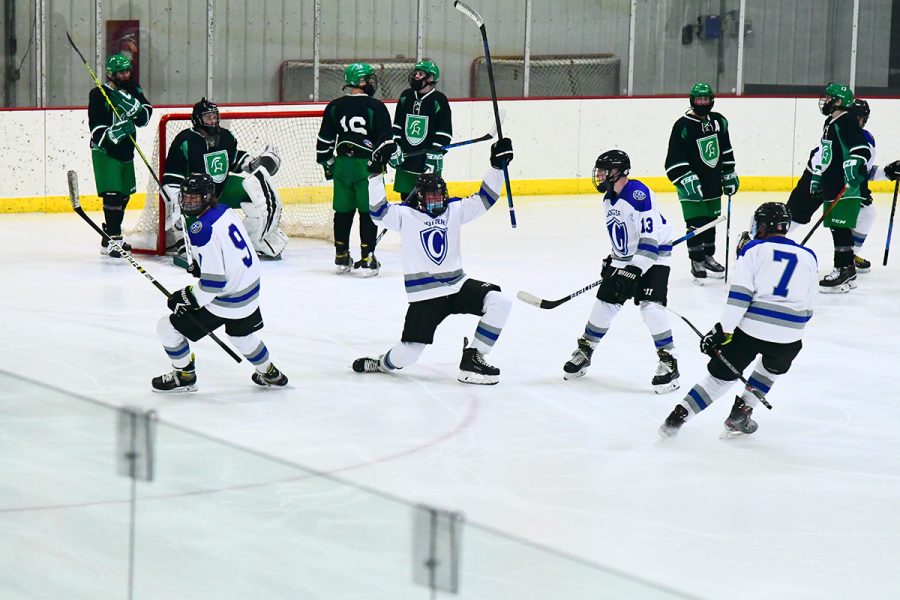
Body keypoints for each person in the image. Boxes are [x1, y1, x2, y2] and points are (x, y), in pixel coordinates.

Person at [351, 137, 515, 384]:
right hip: (425, 296)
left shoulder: (454, 209)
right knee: (408, 355)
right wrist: (375, 173)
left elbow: (485, 198)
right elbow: (377, 212)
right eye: (431, 197)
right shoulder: (405, 215)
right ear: (419, 197)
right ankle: (383, 363)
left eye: (440, 196)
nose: (437, 201)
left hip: (458, 285)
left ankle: (474, 357)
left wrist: (496, 166)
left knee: (499, 302)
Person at [659, 202, 816, 438]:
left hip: (751, 331)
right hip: (791, 335)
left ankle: (677, 418)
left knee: (719, 379)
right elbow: (809, 308)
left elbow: (740, 298)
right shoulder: (809, 256)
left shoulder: (752, 249)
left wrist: (722, 331)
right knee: (770, 367)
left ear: (763, 225)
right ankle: (740, 414)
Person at [151, 173, 288, 392]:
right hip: (250, 289)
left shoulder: (201, 230)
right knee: (241, 335)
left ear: (207, 197)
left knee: (166, 327)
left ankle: (185, 375)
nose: (188, 202)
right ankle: (269, 372)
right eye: (185, 197)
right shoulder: (224, 210)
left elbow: (212, 286)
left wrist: (187, 297)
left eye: (194, 198)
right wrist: (203, 265)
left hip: (229, 299)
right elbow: (229, 251)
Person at [562, 150, 680, 393]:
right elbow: (624, 238)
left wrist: (634, 270)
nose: (600, 175)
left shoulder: (639, 193)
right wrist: (614, 260)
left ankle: (669, 361)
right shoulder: (608, 199)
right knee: (605, 302)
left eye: (604, 171)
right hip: (629, 258)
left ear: (618, 171)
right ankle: (586, 350)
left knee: (651, 307)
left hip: (655, 255)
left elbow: (649, 242)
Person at [160, 98, 287, 261]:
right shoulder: (185, 140)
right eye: (208, 117)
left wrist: (253, 163)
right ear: (198, 119)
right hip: (195, 200)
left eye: (214, 116)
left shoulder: (227, 136)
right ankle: (182, 239)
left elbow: (231, 160)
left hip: (221, 189)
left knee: (254, 190)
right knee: (198, 241)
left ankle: (257, 239)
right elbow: (172, 175)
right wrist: (176, 202)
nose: (213, 121)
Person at [316, 63, 393, 275]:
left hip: (342, 165)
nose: (371, 82)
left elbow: (324, 142)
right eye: (368, 78)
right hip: (365, 167)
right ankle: (367, 257)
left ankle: (341, 255)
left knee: (342, 211)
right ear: (361, 82)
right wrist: (392, 158)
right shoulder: (375, 106)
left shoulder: (334, 106)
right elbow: (386, 141)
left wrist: (329, 164)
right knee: (368, 211)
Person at [664, 82, 737, 283]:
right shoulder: (683, 125)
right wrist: (686, 177)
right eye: (699, 99)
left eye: (705, 99)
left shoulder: (719, 122)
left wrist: (729, 172)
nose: (702, 103)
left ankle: (707, 256)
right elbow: (673, 157)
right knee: (696, 221)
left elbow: (725, 149)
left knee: (711, 220)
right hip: (691, 184)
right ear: (692, 101)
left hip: (712, 180)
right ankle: (696, 259)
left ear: (711, 100)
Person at [88, 53, 152, 258]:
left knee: (124, 195)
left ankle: (109, 232)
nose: (126, 75)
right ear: (111, 74)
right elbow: (96, 128)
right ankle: (114, 239)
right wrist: (115, 132)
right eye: (121, 72)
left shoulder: (134, 89)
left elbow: (146, 116)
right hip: (106, 151)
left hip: (126, 151)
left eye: (127, 71)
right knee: (113, 194)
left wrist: (137, 110)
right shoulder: (98, 94)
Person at [811, 83, 871, 293]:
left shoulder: (846, 120)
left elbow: (861, 147)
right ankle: (848, 271)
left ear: (839, 101)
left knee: (841, 228)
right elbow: (827, 154)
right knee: (838, 228)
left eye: (829, 98)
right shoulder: (831, 122)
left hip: (845, 186)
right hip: (833, 183)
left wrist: (855, 162)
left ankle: (843, 269)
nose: (825, 101)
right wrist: (818, 176)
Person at [390, 59, 453, 201]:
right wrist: (396, 147)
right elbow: (397, 126)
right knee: (406, 200)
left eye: (420, 74)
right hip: (406, 159)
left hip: (427, 161)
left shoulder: (439, 100)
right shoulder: (406, 96)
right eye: (415, 73)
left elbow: (444, 132)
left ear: (430, 78)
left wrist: (436, 153)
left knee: (428, 201)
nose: (416, 76)